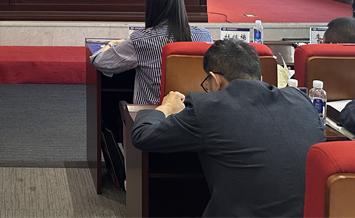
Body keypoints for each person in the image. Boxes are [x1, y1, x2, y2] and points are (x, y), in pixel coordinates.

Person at [131, 38, 325, 217]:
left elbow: (143, 135)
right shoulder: (300, 100)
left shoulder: (208, 108)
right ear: (260, 76)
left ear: (215, 80)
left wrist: (166, 107)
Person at [90, 0, 212, 104]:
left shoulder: (141, 40)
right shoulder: (204, 36)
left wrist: (111, 44)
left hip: (154, 113)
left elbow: (99, 61)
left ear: (151, 6)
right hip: (194, 113)